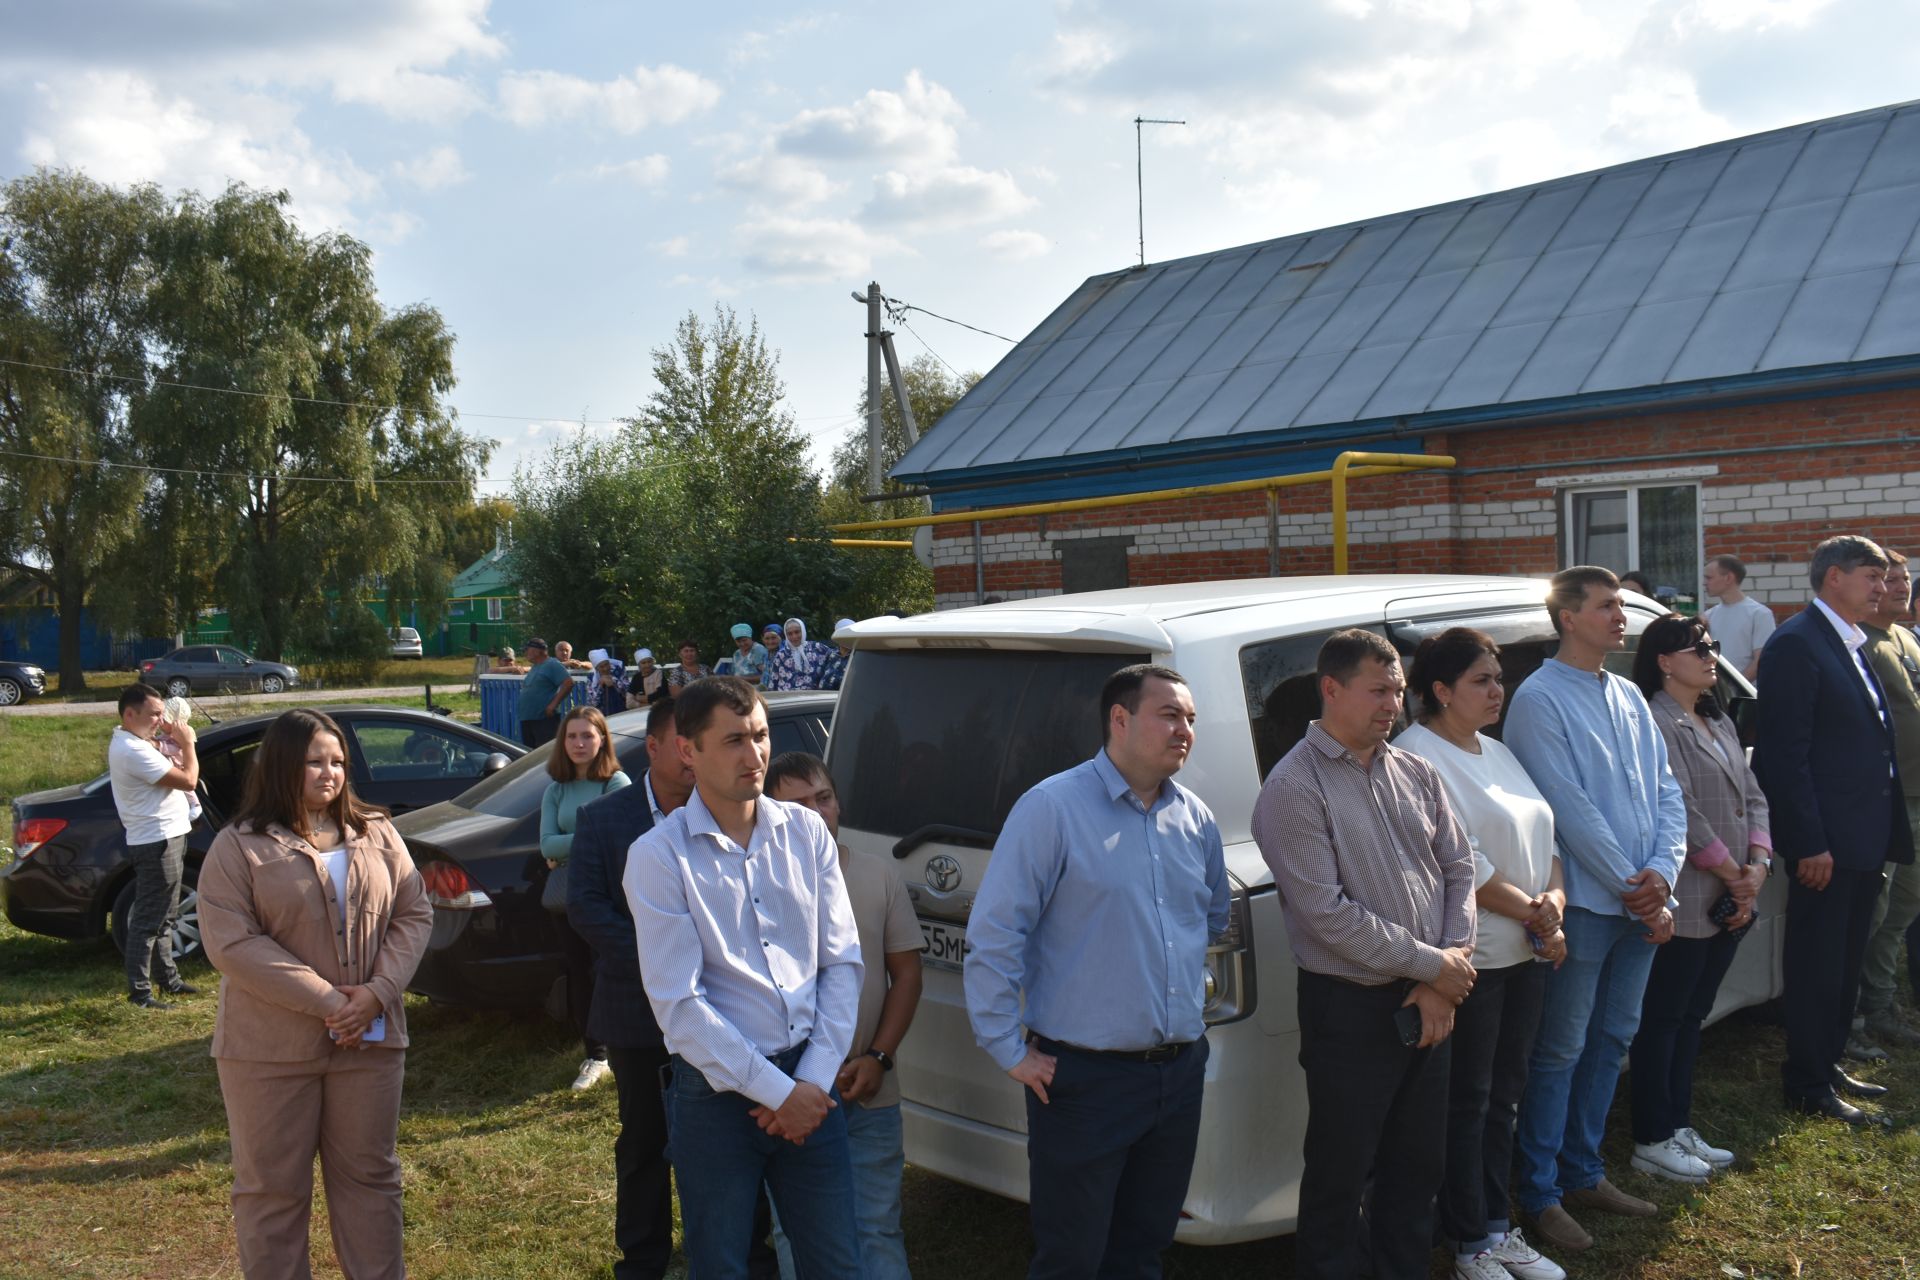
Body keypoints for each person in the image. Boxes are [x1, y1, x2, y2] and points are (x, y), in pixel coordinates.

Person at [966, 663, 1227, 1279]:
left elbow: (1209, 921)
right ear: (1119, 718)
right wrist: (1007, 1048)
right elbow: (995, 935)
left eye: (1190, 719)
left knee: (1143, 1248)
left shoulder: (1195, 819)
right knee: (1073, 1257)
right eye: (1169, 715)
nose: (1184, 730)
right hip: (1083, 1081)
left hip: (1176, 1074)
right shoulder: (1052, 808)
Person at [1253, 630, 1476, 1280]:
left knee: (1416, 1170)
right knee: (1340, 1177)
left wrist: (1445, 970)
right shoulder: (1294, 787)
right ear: (1332, 689)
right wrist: (1435, 967)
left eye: (1399, 691)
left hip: (1431, 998)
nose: (1393, 705)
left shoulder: (1415, 770)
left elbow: (1459, 868)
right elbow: (1328, 917)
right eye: (1379, 690)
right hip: (1350, 1012)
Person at [625, 677, 864, 1279]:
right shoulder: (659, 856)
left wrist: (807, 1086)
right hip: (716, 1099)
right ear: (688, 751)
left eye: (760, 735)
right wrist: (779, 1095)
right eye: (733, 739)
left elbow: (841, 962)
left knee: (838, 1263)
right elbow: (680, 1006)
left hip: (811, 1077)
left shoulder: (807, 833)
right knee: (723, 1266)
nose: (754, 754)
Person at [196, 708, 433, 1280]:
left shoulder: (377, 830)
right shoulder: (239, 846)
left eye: (337, 761)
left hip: (369, 1045)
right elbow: (231, 943)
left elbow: (413, 912)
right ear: (281, 765)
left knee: (372, 1180)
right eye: (313, 761)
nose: (329, 772)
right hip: (268, 1052)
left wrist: (377, 993)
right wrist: (330, 1002)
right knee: (271, 1190)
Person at [1504, 565, 1686, 1253]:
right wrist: (1631, 884)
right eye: (1606, 606)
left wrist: (1662, 877)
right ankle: (1541, 1191)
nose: (1620, 617)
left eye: (1620, 606)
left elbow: (1666, 793)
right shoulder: (1540, 699)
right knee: (1560, 1049)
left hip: (1638, 903)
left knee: (1612, 1041)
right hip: (1585, 903)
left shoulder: (1631, 695)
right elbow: (1566, 808)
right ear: (1567, 617)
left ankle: (1583, 1170)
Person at [1394, 629, 1568, 1280]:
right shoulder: (1419, 758)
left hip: (1527, 951)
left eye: (1499, 678)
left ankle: (1497, 1225)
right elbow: (1460, 861)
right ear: (1440, 691)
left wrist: (1554, 903)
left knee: (1505, 1099)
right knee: (1468, 1102)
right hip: (1476, 961)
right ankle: (1469, 1243)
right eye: (1482, 681)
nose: (1498, 691)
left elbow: (1546, 833)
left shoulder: (1495, 750)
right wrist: (1535, 913)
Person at [1752, 535, 1911, 1126]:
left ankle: (1828, 1059)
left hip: (1864, 837)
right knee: (1819, 961)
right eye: (1872, 576)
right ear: (1834, 578)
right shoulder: (1797, 643)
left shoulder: (1850, 641)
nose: (1883, 587)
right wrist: (1809, 840)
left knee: (1845, 959)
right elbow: (1785, 756)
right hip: (1828, 845)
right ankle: (1807, 1081)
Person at [1624, 613, 1771, 1183]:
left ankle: (1676, 1124)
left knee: (1692, 1015)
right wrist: (1734, 871)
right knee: (1663, 1018)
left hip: (1734, 892)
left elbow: (1754, 798)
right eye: (1699, 647)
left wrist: (1757, 866)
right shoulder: (1656, 723)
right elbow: (1679, 808)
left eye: (1712, 645)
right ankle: (1651, 1137)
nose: (1712, 655)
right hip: (1689, 894)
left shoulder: (1717, 718)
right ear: (1664, 661)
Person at [766, 752, 923, 1280]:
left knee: (875, 1225)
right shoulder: (754, 882)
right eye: (798, 804)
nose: (817, 813)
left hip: (867, 1087)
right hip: (788, 1091)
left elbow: (906, 974)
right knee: (796, 1227)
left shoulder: (878, 875)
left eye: (824, 798)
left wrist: (880, 1056)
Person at [542, 706, 632, 1091]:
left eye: (587, 736)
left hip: (611, 896)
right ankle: (594, 1055)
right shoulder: (555, 789)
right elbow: (544, 843)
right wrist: (587, 841)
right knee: (579, 972)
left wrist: (566, 848)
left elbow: (619, 838)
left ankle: (621, 1049)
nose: (579, 743)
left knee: (609, 970)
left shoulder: (616, 784)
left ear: (602, 740)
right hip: (569, 898)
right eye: (572, 736)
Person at [1855, 549, 1920, 1051]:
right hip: (1887, 800)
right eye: (1888, 579)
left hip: (1916, 797)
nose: (1899, 587)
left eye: (1904, 579)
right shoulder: (1860, 644)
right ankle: (1856, 1011)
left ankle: (1881, 1002)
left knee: (1902, 908)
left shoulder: (1903, 638)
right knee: (1874, 910)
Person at [108, 682, 201, 1008]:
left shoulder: (138, 741)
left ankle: (169, 982)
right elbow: (189, 780)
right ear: (130, 714)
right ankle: (141, 995)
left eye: (162, 714)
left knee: (166, 917)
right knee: (149, 922)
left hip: (168, 836)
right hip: (156, 842)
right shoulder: (131, 750)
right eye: (155, 714)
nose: (161, 721)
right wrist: (188, 744)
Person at [1704, 555, 1776, 682]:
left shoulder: (1759, 614)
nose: (1704, 582)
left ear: (1728, 578)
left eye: (1709, 577)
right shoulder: (1708, 616)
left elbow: (1761, 660)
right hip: (1717, 694)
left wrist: (1735, 688)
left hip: (1746, 697)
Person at [517, 638, 574, 747]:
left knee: (544, 755)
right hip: (529, 718)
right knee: (530, 755)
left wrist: (553, 705)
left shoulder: (552, 664)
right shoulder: (536, 667)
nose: (524, 653)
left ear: (537, 651)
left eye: (526, 650)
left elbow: (568, 683)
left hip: (544, 720)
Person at [767, 618, 836, 692]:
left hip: (813, 699)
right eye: (790, 634)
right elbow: (773, 682)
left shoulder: (817, 648)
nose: (794, 636)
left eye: (797, 632)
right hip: (787, 699)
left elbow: (836, 659)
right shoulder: (781, 655)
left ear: (803, 631)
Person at [819, 619, 855, 691]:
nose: (846, 638)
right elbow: (821, 673)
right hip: (822, 697)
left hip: (839, 699)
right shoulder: (831, 654)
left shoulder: (856, 656)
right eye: (843, 635)